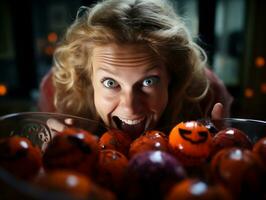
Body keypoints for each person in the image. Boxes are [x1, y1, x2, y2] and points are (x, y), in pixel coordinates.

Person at [38, 0, 233, 137]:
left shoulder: (208, 94)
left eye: (148, 81)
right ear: (87, 78)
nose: (130, 107)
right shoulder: (58, 92)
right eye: (110, 82)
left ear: (172, 76)